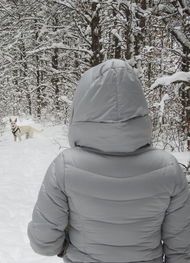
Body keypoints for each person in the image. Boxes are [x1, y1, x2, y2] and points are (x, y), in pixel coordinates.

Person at [27, 59, 190, 263]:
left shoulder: (65, 167)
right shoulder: (168, 168)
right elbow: (182, 251)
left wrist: (66, 249)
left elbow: (43, 242)